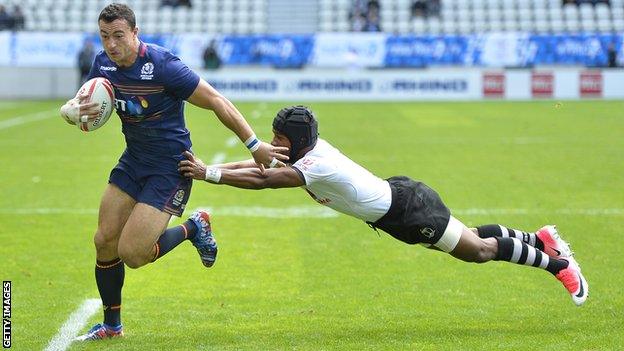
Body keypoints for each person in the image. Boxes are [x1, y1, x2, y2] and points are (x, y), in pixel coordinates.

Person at [179, 105, 589, 307]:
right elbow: (263, 162)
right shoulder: (304, 151)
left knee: (478, 252)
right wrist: (209, 167)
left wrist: (209, 175)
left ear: (296, 140)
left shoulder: (314, 164)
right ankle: (540, 238)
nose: (273, 143)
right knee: (473, 237)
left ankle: (560, 267)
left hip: (407, 213)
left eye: (278, 137)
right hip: (401, 203)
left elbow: (263, 178)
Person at [59, 3, 288, 341]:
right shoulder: (102, 63)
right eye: (105, 36)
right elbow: (86, 104)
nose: (111, 44)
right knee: (104, 240)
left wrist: (255, 146)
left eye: (118, 35)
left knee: (133, 254)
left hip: (170, 167)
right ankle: (112, 326)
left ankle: (195, 227)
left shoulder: (163, 66)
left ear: (136, 33)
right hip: (133, 161)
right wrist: (71, 110)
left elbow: (215, 100)